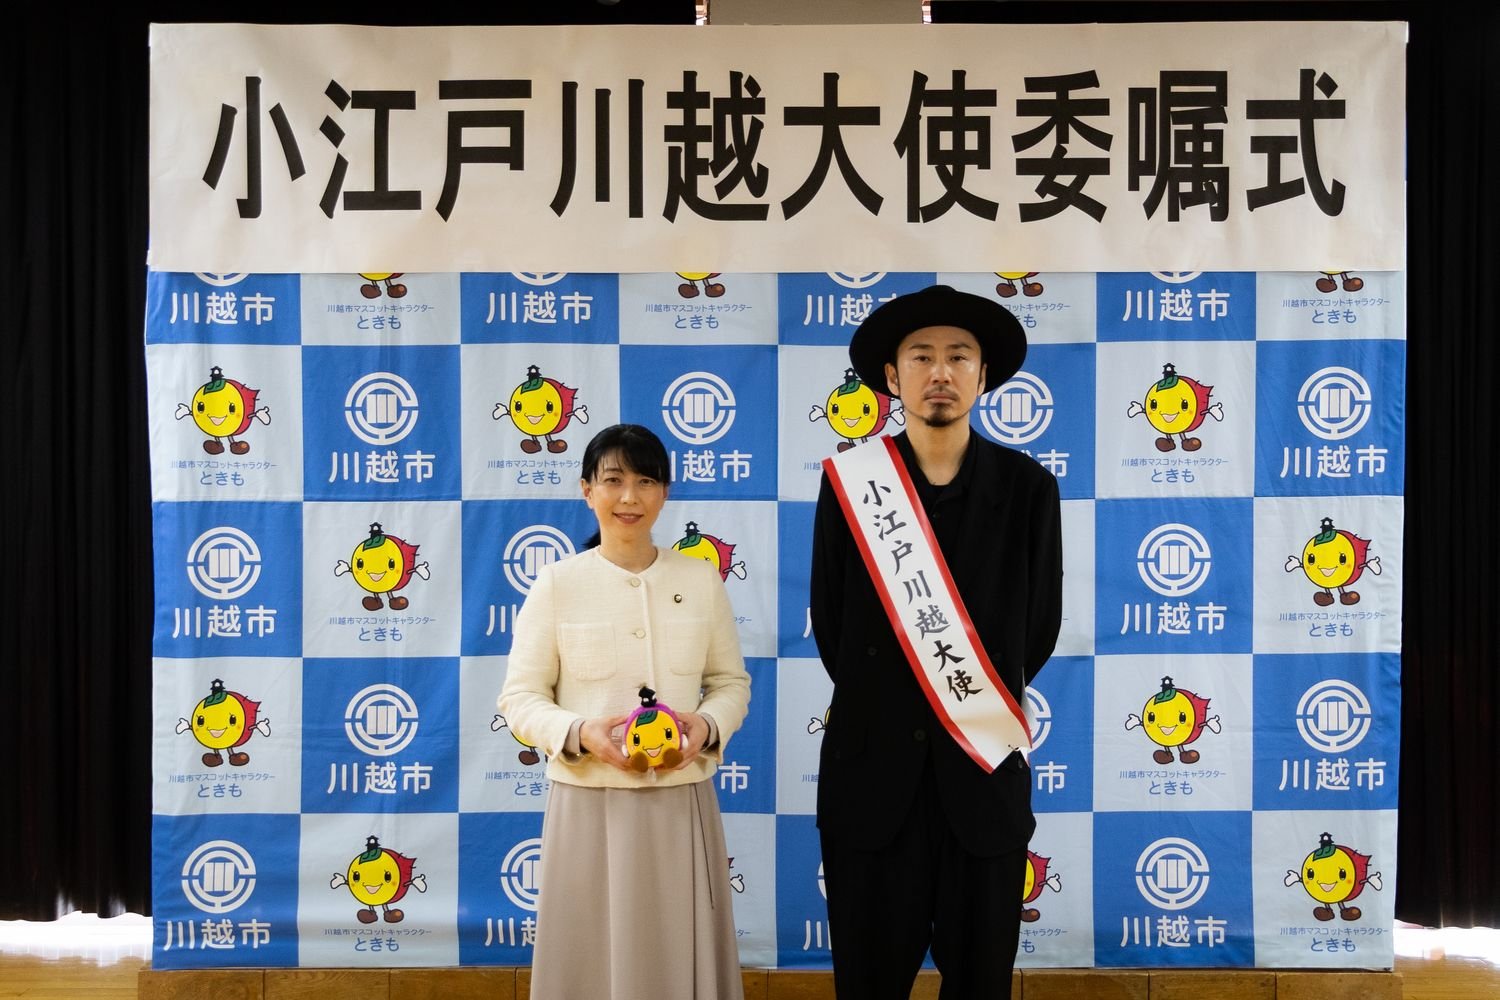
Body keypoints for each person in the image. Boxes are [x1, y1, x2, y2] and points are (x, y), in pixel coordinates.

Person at [810, 285, 1063, 999]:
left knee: (981, 983)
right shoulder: (852, 484)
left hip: (982, 777)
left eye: (959, 356)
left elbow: (1037, 629)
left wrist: (964, 696)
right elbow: (834, 626)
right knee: (868, 984)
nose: (940, 372)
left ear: (984, 376)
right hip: (871, 776)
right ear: (892, 378)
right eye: (921, 357)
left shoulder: (1028, 489)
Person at [498, 423, 751, 1000]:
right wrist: (579, 731)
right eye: (613, 481)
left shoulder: (699, 578)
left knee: (676, 954)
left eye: (646, 481)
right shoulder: (558, 583)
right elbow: (520, 697)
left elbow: (730, 682)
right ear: (587, 490)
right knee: (589, 961)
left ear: (665, 491)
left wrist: (707, 725)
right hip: (588, 803)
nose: (629, 497)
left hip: (680, 797)